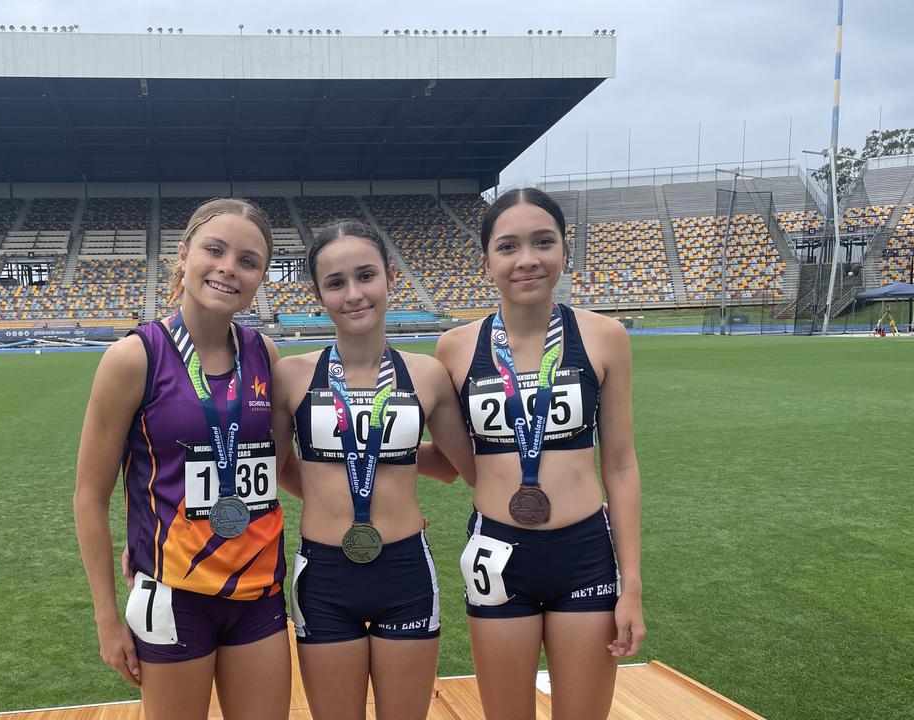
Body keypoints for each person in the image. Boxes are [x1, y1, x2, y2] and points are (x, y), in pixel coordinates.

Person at [425, 187, 645, 720]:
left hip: (585, 554)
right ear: (486, 261)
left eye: (543, 242)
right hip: (497, 554)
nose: (527, 259)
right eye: (508, 246)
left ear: (565, 251)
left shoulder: (604, 337)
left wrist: (632, 582)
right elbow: (453, 461)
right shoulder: (454, 348)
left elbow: (619, 463)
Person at [75, 198, 292, 720]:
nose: (228, 269)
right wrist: (107, 615)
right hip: (173, 596)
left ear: (262, 275)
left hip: (258, 591)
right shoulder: (134, 357)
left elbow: (279, 466)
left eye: (248, 260)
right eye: (214, 250)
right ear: (183, 254)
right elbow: (89, 494)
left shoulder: (266, 354)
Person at [271, 220, 475, 720]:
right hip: (324, 574)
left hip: (404, 571)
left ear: (389, 278)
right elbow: (278, 466)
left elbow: (460, 466)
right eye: (336, 282)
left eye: (366, 276)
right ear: (318, 294)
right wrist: (328, 497)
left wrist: (568, 504)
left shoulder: (426, 374)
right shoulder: (292, 375)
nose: (354, 293)